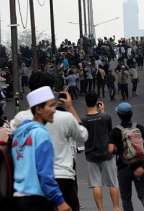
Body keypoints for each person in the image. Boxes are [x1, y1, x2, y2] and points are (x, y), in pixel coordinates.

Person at [12, 71, 89, 211]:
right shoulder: (65, 117)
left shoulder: (20, 119)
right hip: (63, 179)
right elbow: (83, 136)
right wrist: (70, 108)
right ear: (52, 91)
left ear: (30, 91)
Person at [11, 86, 71, 211]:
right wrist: (59, 200)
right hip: (37, 201)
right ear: (38, 109)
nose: (54, 110)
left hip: (18, 198)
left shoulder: (19, 135)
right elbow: (45, 173)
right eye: (51, 106)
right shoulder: (41, 134)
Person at [108, 102, 144, 211]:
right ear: (131, 114)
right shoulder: (139, 127)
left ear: (118, 115)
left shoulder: (115, 131)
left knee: (126, 197)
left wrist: (120, 150)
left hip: (123, 167)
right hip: (139, 165)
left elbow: (110, 150)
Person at [81, 91, 121, 211]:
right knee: (113, 182)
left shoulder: (83, 119)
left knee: (96, 183)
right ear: (97, 102)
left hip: (91, 154)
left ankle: (100, 209)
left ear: (85, 103)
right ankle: (116, 207)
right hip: (107, 152)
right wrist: (102, 111)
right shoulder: (105, 116)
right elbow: (108, 129)